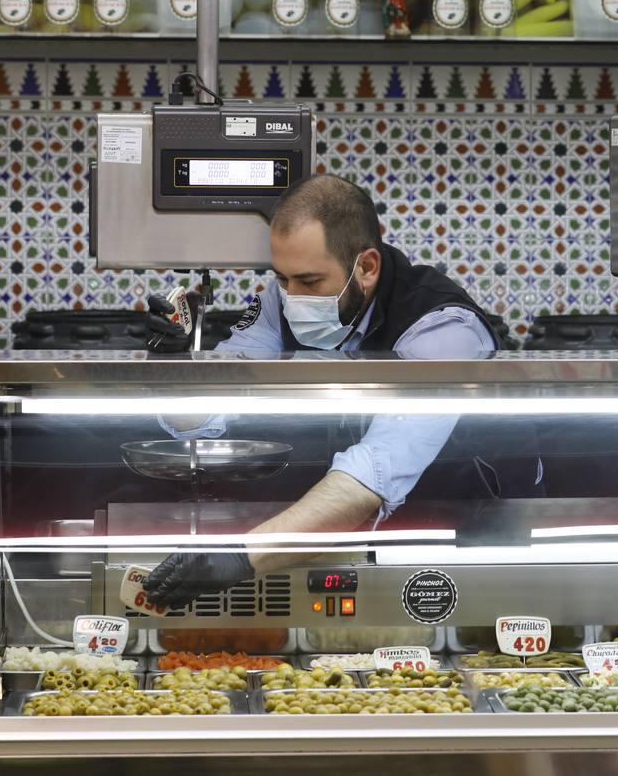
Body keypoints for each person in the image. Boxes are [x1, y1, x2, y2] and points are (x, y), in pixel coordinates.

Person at [141, 176, 500, 610]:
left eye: (310, 282)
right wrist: (180, 374)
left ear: (366, 267)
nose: (292, 297)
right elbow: (211, 408)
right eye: (282, 279)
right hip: (322, 535)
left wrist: (239, 555)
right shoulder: (278, 301)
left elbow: (375, 471)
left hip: (454, 538)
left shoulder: (444, 328)